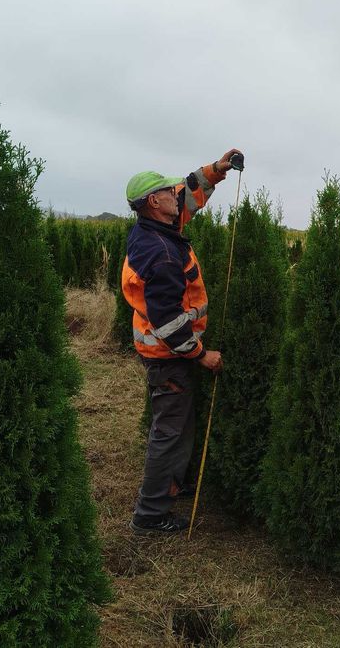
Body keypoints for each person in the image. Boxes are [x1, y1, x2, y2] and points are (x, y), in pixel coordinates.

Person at [122, 149, 241, 534]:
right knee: (169, 431)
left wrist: (216, 171)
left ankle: (172, 483)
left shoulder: (155, 227)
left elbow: (188, 192)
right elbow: (169, 322)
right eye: (167, 193)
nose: (177, 195)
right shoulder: (160, 253)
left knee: (178, 424)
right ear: (154, 202)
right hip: (167, 353)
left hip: (166, 352)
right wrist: (201, 354)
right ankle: (150, 514)